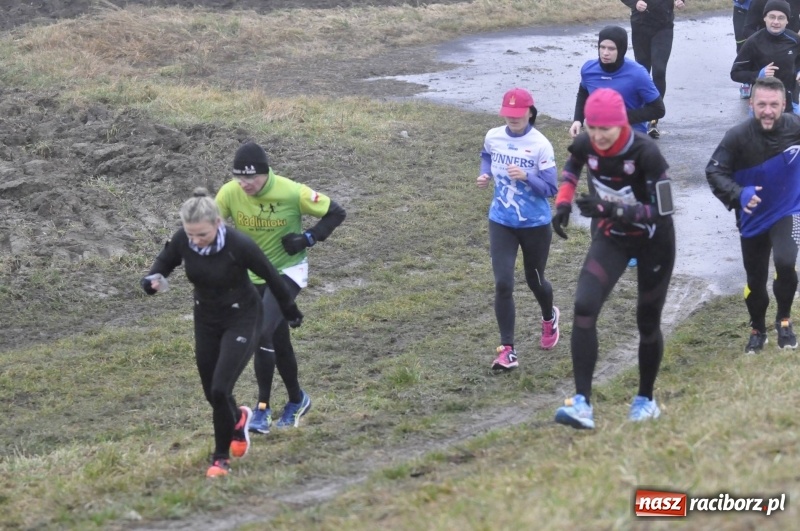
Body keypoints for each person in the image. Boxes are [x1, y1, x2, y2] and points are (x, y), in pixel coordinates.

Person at [140, 188, 303, 477]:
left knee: (220, 388)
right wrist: (152, 279)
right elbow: (165, 261)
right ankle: (238, 419)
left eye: (201, 234)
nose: (195, 241)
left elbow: (270, 275)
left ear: (217, 223)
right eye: (191, 235)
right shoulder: (184, 240)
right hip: (206, 319)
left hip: (243, 317)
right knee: (212, 394)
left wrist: (290, 311)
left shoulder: (239, 245)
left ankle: (220, 458)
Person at [551, 88, 676, 429]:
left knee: (647, 322)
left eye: (606, 129)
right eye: (594, 128)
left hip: (654, 242)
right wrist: (563, 201)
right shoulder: (586, 142)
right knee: (584, 306)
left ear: (621, 124)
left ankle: (645, 399)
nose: (600, 136)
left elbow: (662, 211)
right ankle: (582, 403)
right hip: (613, 238)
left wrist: (610, 207)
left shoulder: (646, 152)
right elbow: (573, 165)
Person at [216, 142, 346, 434]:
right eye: (239, 177)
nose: (244, 184)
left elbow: (336, 212)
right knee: (277, 340)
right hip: (252, 276)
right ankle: (297, 400)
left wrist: (309, 237)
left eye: (250, 178)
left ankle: (262, 409)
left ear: (265, 173)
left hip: (289, 271)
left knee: (261, 331)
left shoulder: (291, 191)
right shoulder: (229, 192)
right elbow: (209, 226)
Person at [706, 76, 800, 354]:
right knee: (755, 280)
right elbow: (714, 171)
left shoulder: (795, 128)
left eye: (774, 104)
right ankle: (757, 328)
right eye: (762, 104)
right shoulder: (736, 136)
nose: (768, 111)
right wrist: (738, 194)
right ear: (751, 104)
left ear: (785, 104)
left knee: (785, 262)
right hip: (752, 216)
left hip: (788, 210)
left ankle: (784, 320)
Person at [477, 87, 560, 371]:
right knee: (503, 283)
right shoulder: (493, 136)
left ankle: (549, 317)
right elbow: (486, 154)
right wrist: (485, 172)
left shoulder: (540, 145)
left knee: (535, 280)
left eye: (518, 114)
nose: (513, 119)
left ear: (530, 112)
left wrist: (526, 177)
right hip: (501, 221)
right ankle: (507, 350)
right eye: (508, 114)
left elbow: (550, 189)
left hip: (535, 225)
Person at [569, 25, 663, 269]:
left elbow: (658, 109)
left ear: (621, 50)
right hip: (598, 145)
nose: (606, 52)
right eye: (602, 47)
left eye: (611, 48)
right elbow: (583, 92)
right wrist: (578, 118)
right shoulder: (589, 69)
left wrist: (619, 120)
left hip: (630, 147)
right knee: (598, 195)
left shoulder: (637, 74)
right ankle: (599, 245)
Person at [620, 0, 686, 138]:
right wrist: (635, 3)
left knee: (659, 70)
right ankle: (640, 115)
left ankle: (653, 119)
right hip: (641, 25)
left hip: (664, 26)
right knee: (642, 70)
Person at [732, 0, 800, 113]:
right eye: (772, 17)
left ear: (787, 19)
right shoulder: (754, 42)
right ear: (765, 18)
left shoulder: (795, 41)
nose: (776, 21)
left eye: (781, 18)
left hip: (789, 101)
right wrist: (759, 74)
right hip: (762, 102)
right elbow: (735, 74)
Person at [734, 0, 755, 98]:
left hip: (760, 9)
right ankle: (745, 82)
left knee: (758, 45)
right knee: (742, 47)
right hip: (741, 10)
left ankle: (759, 82)